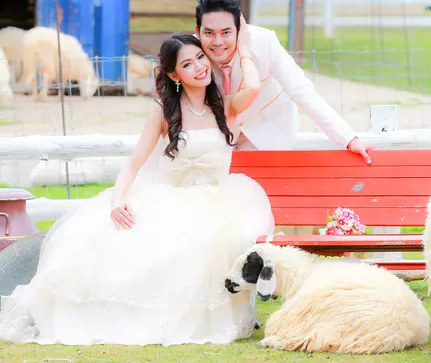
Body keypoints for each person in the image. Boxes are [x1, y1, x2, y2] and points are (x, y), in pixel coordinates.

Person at [0, 22, 275, 346]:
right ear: (174, 75)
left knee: (213, 240)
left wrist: (242, 48)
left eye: (200, 58)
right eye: (187, 64)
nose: (199, 67)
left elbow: (254, 88)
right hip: (171, 197)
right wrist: (118, 199)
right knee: (111, 236)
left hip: (217, 202)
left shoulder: (225, 106)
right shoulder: (163, 113)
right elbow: (134, 163)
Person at [194, 0, 373, 164]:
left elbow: (302, 91)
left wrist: (349, 139)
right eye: (209, 33)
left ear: (240, 29)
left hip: (267, 131)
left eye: (226, 33)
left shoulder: (264, 42)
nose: (217, 42)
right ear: (198, 30)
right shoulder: (191, 52)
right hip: (218, 133)